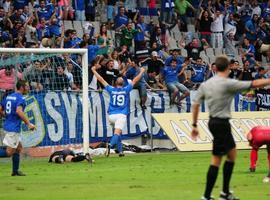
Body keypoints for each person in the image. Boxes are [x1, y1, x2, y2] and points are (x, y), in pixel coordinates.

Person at [191, 55, 270, 200]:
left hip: (213, 122)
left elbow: (195, 104)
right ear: (227, 68)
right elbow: (255, 83)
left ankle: (224, 192)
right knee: (217, 159)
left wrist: (195, 125)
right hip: (222, 123)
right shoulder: (228, 83)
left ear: (216, 67)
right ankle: (209, 195)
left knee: (231, 154)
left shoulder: (206, 84)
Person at [91, 64, 145, 157]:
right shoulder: (126, 89)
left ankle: (120, 151)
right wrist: (142, 71)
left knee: (118, 133)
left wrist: (93, 70)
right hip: (121, 115)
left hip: (111, 116)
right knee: (117, 133)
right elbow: (136, 79)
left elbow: (101, 79)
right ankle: (110, 146)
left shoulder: (111, 89)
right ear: (122, 83)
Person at [0, 80, 35, 176]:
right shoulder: (20, 99)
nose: (28, 88)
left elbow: (0, 108)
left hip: (8, 125)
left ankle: (15, 171)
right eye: (27, 86)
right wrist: (29, 124)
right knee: (9, 152)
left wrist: (6, 116)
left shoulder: (9, 96)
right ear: (22, 87)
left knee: (18, 148)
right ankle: (15, 171)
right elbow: (19, 111)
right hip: (13, 128)